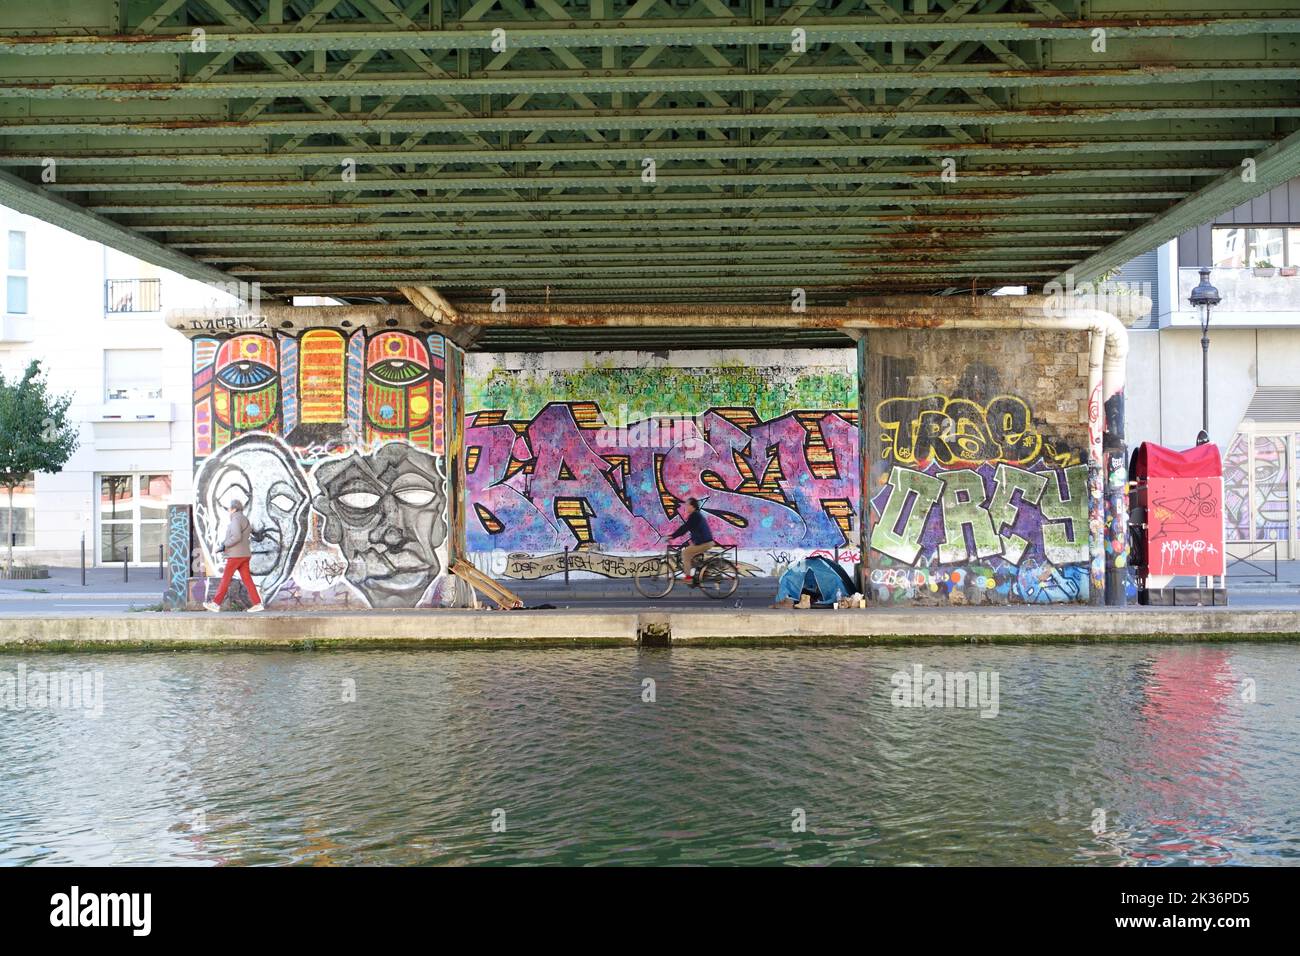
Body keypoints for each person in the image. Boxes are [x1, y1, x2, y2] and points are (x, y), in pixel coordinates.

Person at [203, 499, 264, 613]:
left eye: (229, 509)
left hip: (236, 555)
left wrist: (223, 545)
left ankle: (216, 603)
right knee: (247, 580)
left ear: (234, 509)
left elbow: (236, 536)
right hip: (244, 554)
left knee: (226, 579)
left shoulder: (236, 519)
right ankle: (257, 603)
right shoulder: (244, 519)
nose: (228, 511)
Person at [668, 497, 715, 587]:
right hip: (704, 541)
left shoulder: (695, 516)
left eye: (687, 505)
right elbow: (694, 530)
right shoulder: (696, 515)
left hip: (705, 542)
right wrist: (692, 541)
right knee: (692, 555)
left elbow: (685, 528)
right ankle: (701, 573)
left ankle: (689, 578)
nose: (685, 506)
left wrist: (672, 536)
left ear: (692, 506)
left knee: (685, 553)